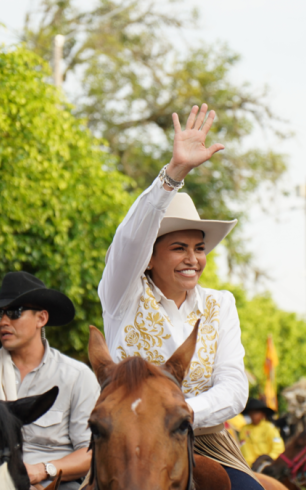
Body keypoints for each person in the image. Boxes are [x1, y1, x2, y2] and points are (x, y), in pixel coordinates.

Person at [98, 104, 259, 488]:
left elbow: (234, 387)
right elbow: (128, 240)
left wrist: (181, 412)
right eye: (178, 248)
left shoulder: (221, 304)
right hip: (125, 443)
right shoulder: (124, 294)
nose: (193, 259)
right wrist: (173, 175)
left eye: (199, 248)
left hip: (204, 442)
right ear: (149, 257)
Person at [0, 272, 99, 490]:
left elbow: (90, 452)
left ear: (41, 318)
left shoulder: (76, 376)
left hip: (54, 483)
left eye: (14, 312)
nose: (3, 321)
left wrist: (42, 470)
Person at [238, 398, 285, 466]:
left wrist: (266, 460)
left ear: (263, 414)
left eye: (256, 413)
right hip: (249, 466)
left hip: (267, 465)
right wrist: (250, 463)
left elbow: (278, 448)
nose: (253, 415)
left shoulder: (269, 427)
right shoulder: (244, 429)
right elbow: (244, 449)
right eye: (251, 413)